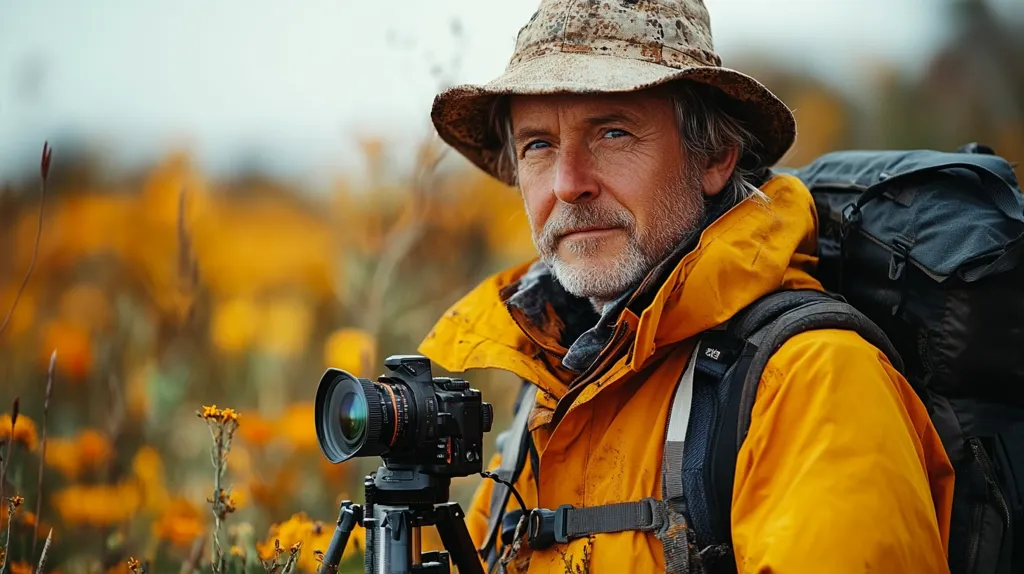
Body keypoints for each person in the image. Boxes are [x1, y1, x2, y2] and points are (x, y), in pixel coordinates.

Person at [418, 0, 955, 572]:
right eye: (538, 145)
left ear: (716, 157)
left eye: (613, 132)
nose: (568, 183)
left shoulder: (814, 382)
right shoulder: (550, 385)